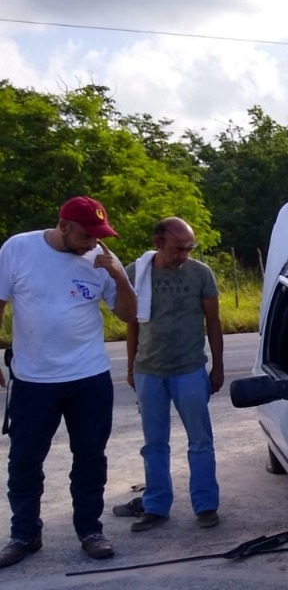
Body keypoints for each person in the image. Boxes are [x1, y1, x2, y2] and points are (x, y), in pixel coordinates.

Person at [0, 196, 138, 568]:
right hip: (33, 379)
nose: (94, 242)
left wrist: (119, 276)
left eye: (99, 234)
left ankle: (90, 531)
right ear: (63, 226)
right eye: (87, 234)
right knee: (25, 460)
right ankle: (24, 534)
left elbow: (129, 314)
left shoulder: (100, 261)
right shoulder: (18, 249)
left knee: (90, 457)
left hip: (88, 378)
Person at [116, 218, 223, 532]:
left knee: (200, 441)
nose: (184, 255)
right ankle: (156, 506)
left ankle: (205, 506)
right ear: (157, 242)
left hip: (189, 369)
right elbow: (132, 323)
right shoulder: (138, 272)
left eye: (189, 248)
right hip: (149, 371)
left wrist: (217, 367)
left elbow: (213, 323)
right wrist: (131, 366)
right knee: (154, 444)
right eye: (178, 249)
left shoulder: (201, 274)